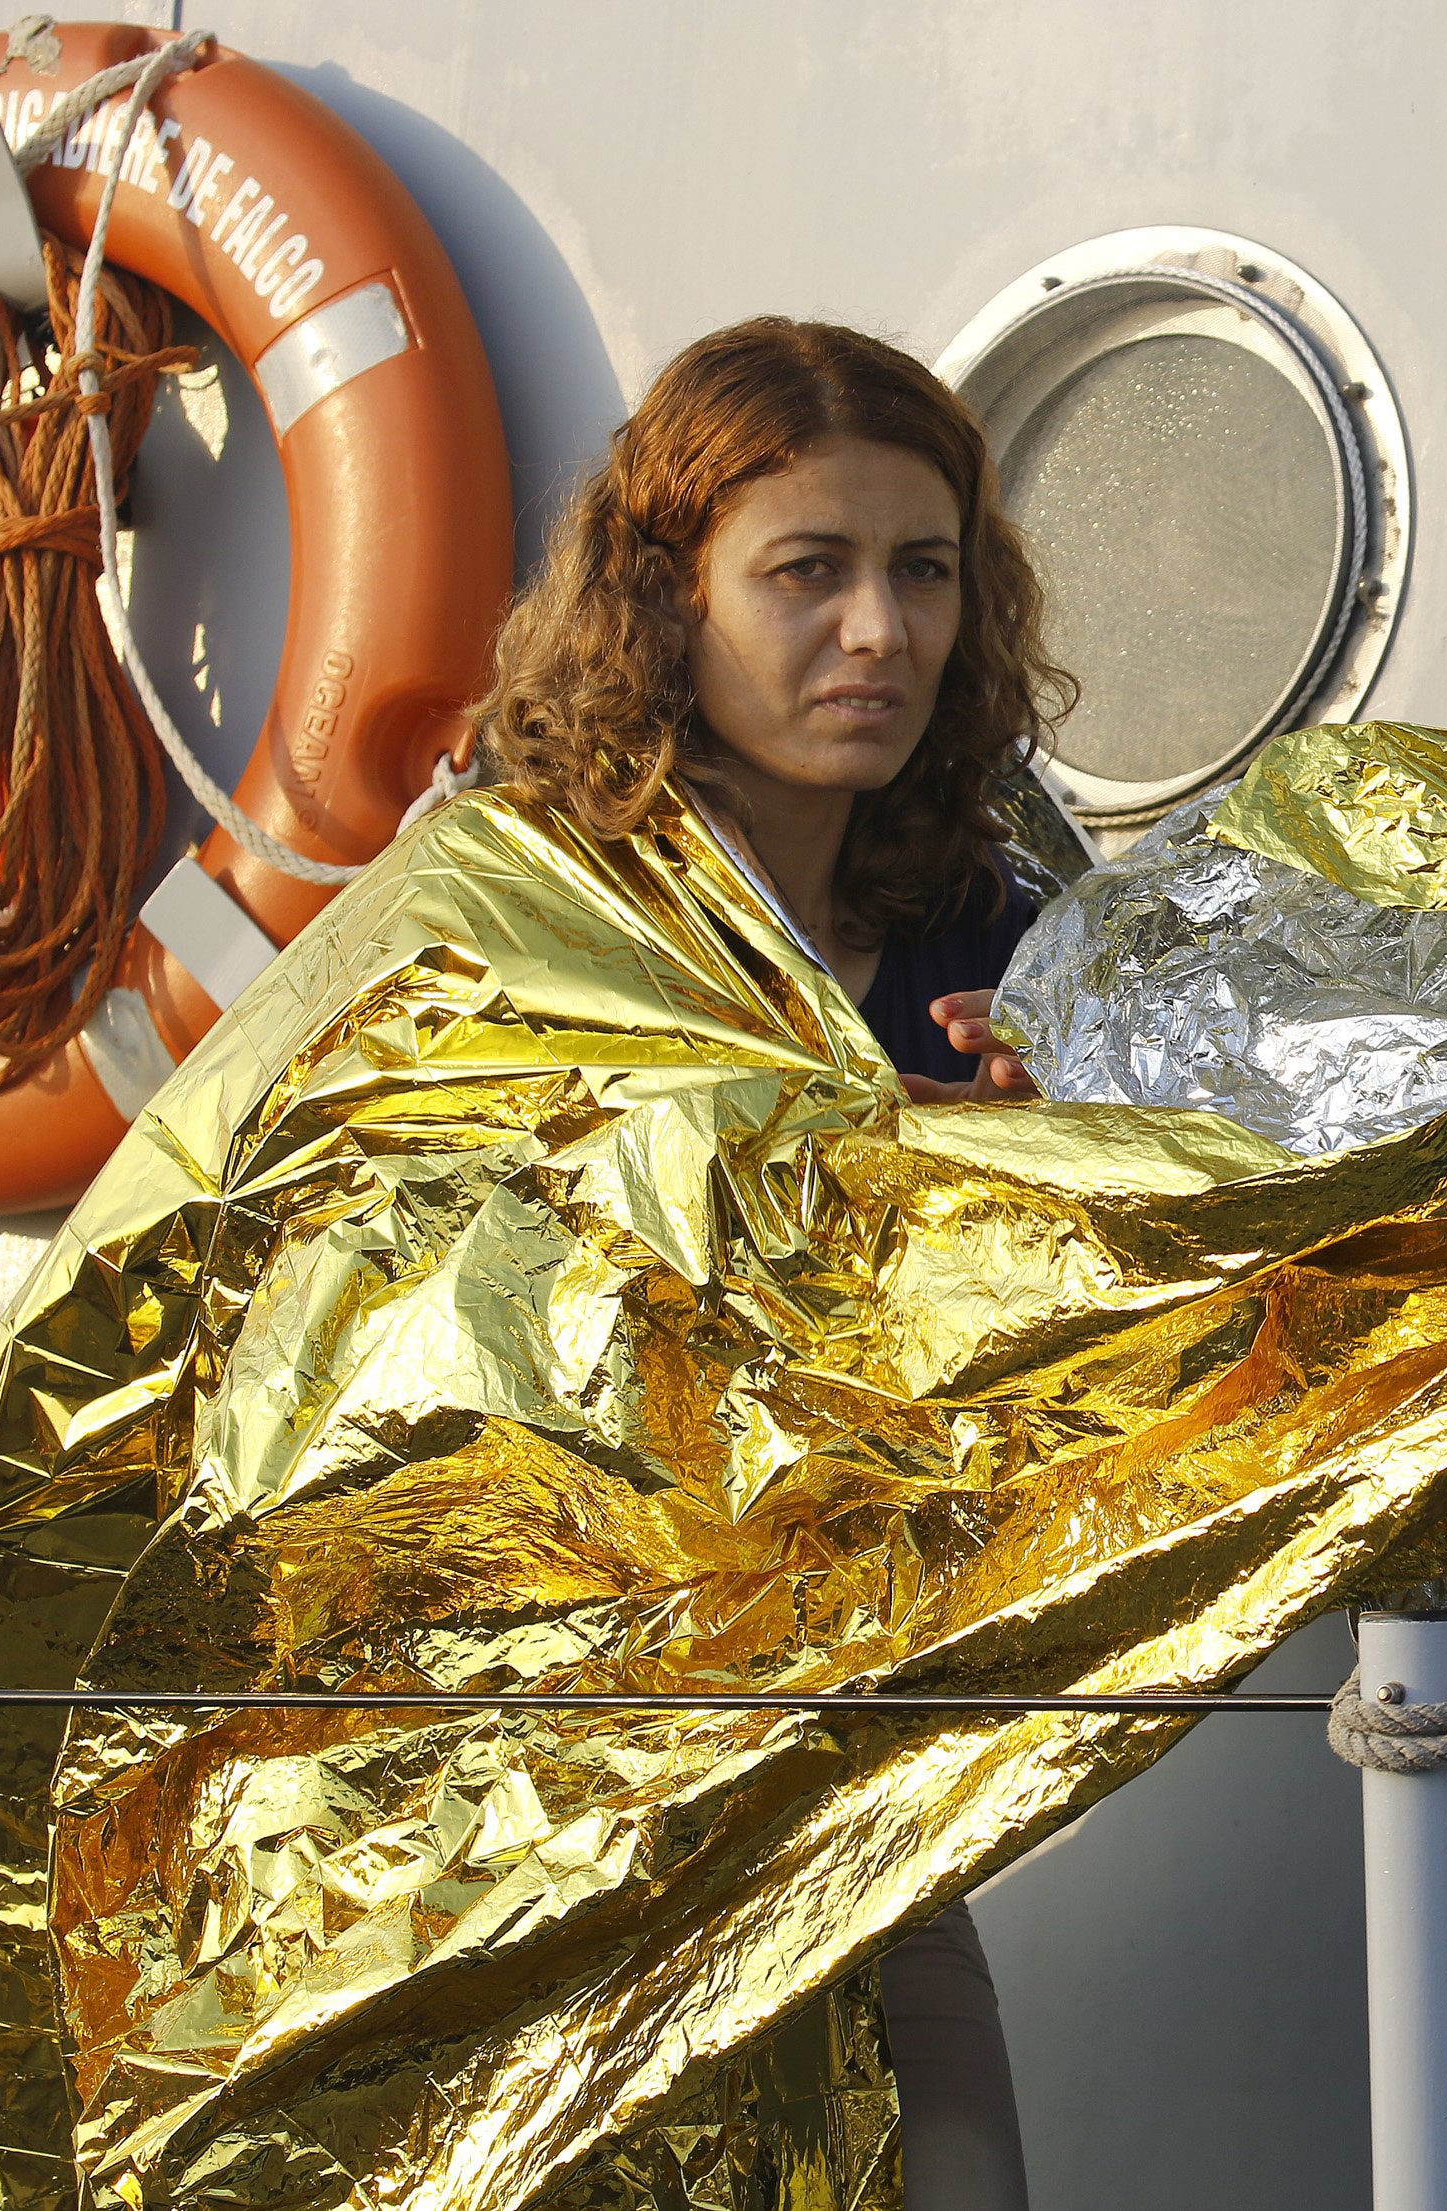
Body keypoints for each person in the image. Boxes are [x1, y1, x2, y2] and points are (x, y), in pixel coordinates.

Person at [478, 315, 1054, 2211]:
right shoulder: (523, 915)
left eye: (924, 572)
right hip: (521, 1812)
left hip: (853, 1776)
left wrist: (1059, 1171)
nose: (878, 634)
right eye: (808, 573)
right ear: (665, 600)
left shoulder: (990, 924)